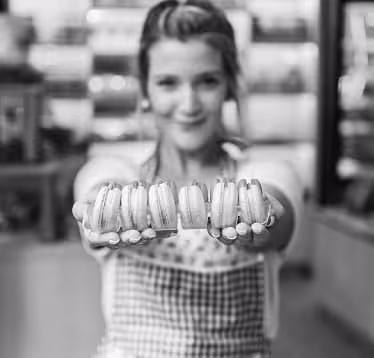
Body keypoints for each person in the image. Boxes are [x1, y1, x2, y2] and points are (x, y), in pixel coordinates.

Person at [72, 0, 304, 357]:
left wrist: (262, 217)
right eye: (167, 83)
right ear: (145, 92)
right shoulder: (120, 174)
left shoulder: (262, 174)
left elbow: (278, 210)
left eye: (207, 81)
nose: (189, 103)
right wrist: (101, 212)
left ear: (228, 85)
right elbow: (98, 186)